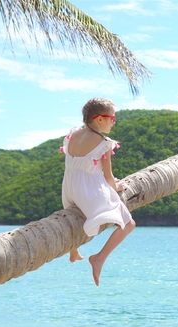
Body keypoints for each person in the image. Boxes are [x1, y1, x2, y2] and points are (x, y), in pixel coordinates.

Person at [61, 98, 136, 286]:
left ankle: (74, 251)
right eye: (112, 118)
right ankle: (99, 258)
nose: (114, 121)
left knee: (75, 216)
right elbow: (108, 177)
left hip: (69, 189)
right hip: (88, 191)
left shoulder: (73, 134)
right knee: (129, 224)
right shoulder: (104, 143)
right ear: (100, 119)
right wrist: (117, 187)